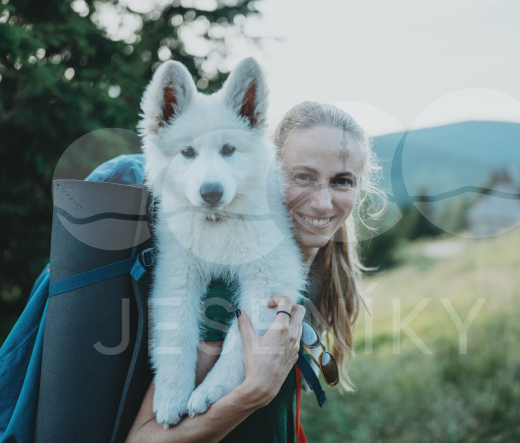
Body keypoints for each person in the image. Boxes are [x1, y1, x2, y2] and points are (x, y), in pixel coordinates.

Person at [126, 101, 385, 442]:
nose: (323, 203)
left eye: (341, 181)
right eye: (303, 177)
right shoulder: (220, 297)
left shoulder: (311, 272)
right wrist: (252, 393)